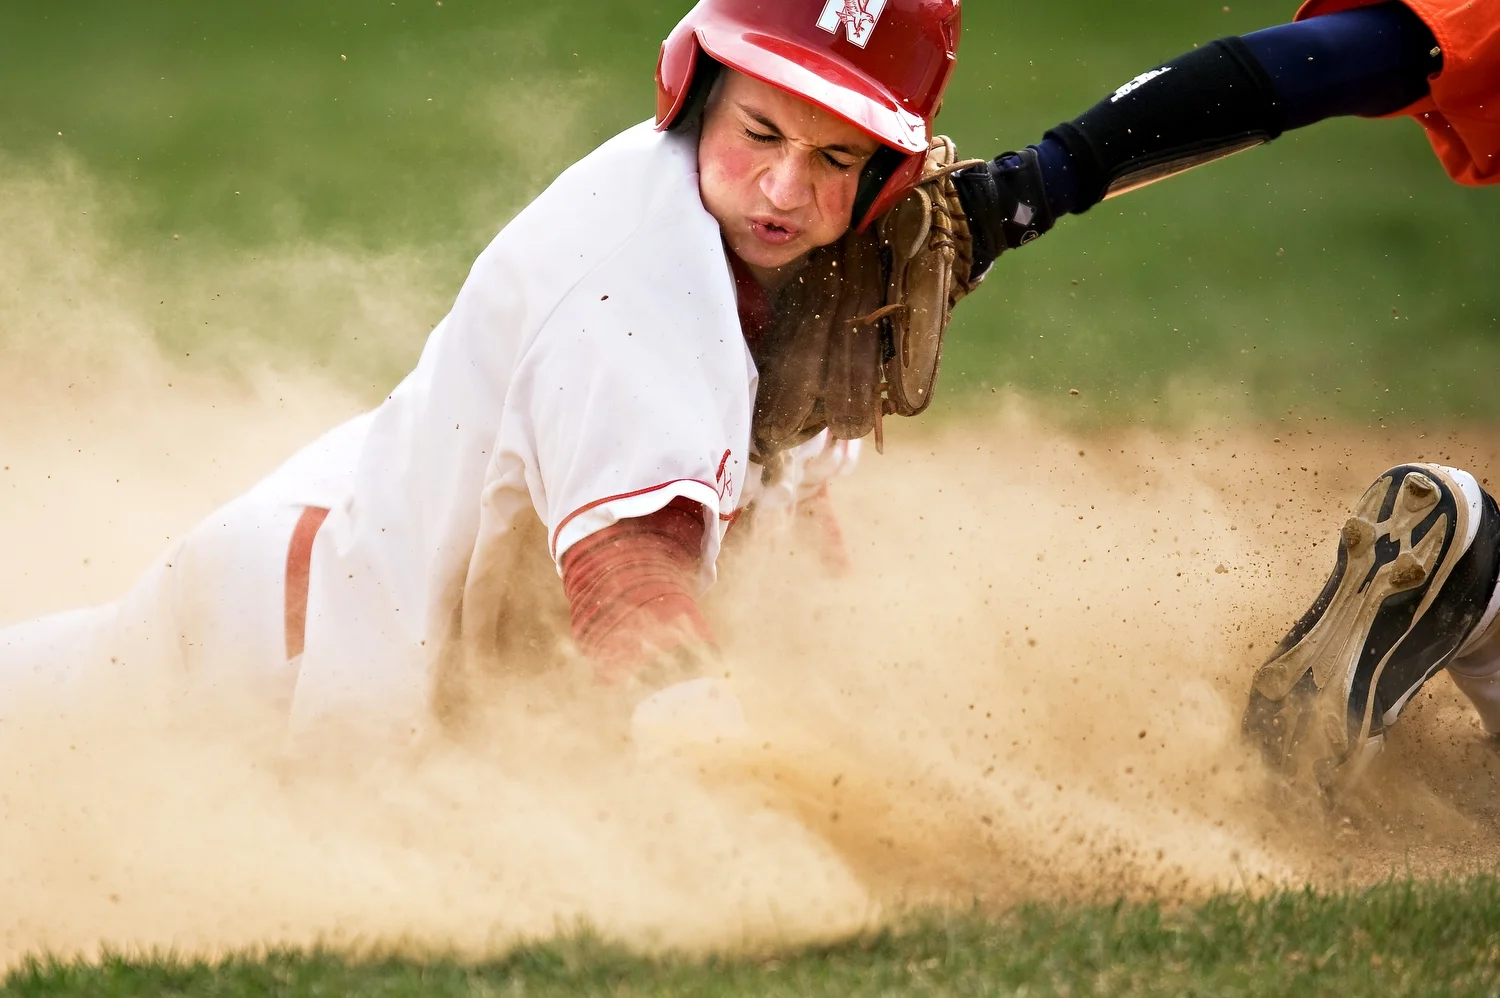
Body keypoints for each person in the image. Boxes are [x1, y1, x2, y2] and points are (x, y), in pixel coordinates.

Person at [1, 0, 1494, 752]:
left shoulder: (829, 256)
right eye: (762, 130)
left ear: (892, 167)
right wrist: (781, 798)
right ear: (692, 85)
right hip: (266, 654)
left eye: (838, 154)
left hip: (382, 607)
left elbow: (1111, 150)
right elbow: (640, 602)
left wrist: (1400, 43)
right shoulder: (630, 278)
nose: (785, 188)